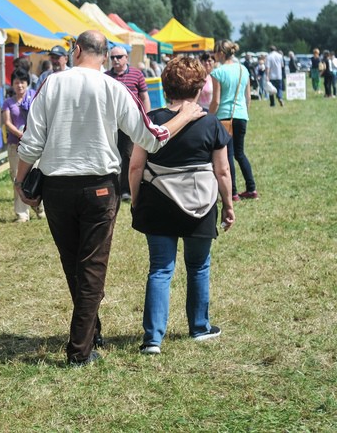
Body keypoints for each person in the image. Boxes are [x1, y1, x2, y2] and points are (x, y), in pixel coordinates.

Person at [13, 30, 205, 366]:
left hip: (57, 187)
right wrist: (185, 116)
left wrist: (20, 181)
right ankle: (80, 349)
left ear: (76, 51)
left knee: (75, 265)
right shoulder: (114, 88)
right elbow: (152, 136)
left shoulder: (52, 84)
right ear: (105, 56)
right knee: (91, 267)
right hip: (100, 187)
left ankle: (88, 336)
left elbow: (31, 140)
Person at [129, 55, 234, 355]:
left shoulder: (150, 120)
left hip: (158, 203)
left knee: (160, 269)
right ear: (200, 89)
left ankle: (152, 340)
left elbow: (136, 167)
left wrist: (137, 200)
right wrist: (228, 205)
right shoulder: (212, 123)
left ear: (165, 88)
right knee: (198, 266)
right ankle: (199, 327)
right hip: (200, 206)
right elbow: (223, 171)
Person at [209, 39, 258, 201]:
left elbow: (216, 100)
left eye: (215, 52)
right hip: (241, 115)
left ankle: (233, 192)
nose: (214, 55)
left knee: (228, 155)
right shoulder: (243, 69)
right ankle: (251, 188)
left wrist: (209, 117)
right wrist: (244, 112)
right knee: (240, 153)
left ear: (221, 53)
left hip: (224, 116)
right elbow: (248, 96)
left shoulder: (218, 72)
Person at [105, 45, 152, 202]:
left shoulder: (136, 74)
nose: (116, 60)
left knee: (128, 154)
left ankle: (125, 189)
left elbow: (144, 97)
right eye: (113, 57)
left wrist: (147, 117)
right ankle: (112, 186)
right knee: (111, 154)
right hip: (111, 122)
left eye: (119, 57)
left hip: (132, 121)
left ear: (126, 58)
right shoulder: (105, 76)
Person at [1, 68, 43, 223]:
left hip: (34, 145)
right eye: (16, 82)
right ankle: (22, 213)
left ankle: (39, 207)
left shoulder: (35, 98)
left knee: (35, 176)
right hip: (15, 145)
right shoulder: (8, 103)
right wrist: (21, 135)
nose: (19, 85)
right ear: (12, 84)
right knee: (17, 178)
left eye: (22, 82)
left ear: (27, 83)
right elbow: (7, 122)